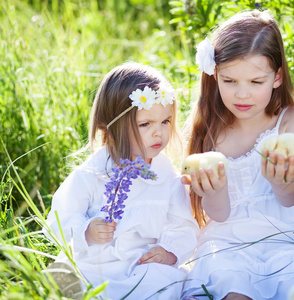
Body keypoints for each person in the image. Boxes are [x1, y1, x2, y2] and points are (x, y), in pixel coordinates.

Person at [181, 10, 294, 300]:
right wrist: (213, 191)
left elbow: (289, 198)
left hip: (285, 238)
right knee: (232, 288)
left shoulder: (293, 120)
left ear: (277, 77)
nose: (242, 95)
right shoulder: (211, 128)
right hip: (227, 242)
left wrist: (281, 180)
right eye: (230, 82)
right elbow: (218, 215)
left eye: (256, 82)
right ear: (215, 76)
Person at [44, 62, 199, 300]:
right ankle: (77, 288)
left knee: (165, 280)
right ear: (112, 125)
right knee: (78, 274)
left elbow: (182, 224)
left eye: (165, 121)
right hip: (97, 262)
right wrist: (87, 231)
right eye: (145, 124)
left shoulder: (165, 175)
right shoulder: (94, 172)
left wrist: (168, 252)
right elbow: (61, 216)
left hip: (139, 263)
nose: (158, 132)